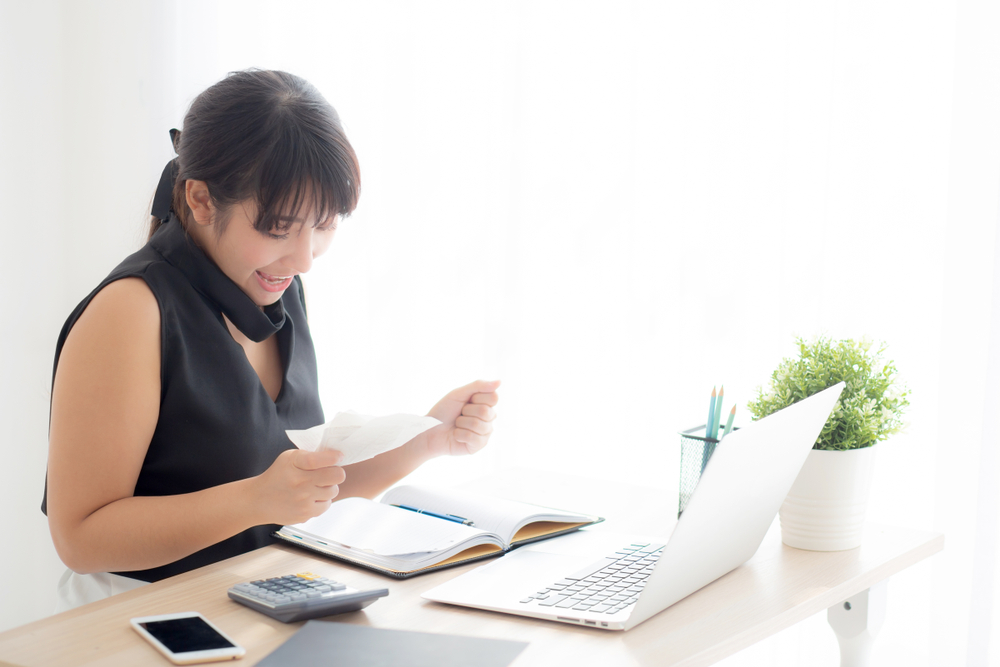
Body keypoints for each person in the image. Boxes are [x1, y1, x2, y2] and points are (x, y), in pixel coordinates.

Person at [42, 69, 499, 610]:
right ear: (202, 199)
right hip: (140, 624)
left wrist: (429, 439)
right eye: (279, 228)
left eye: (324, 225)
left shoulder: (278, 288)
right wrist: (254, 499)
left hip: (262, 605)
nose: (304, 258)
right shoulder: (132, 312)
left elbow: (307, 487)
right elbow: (81, 538)